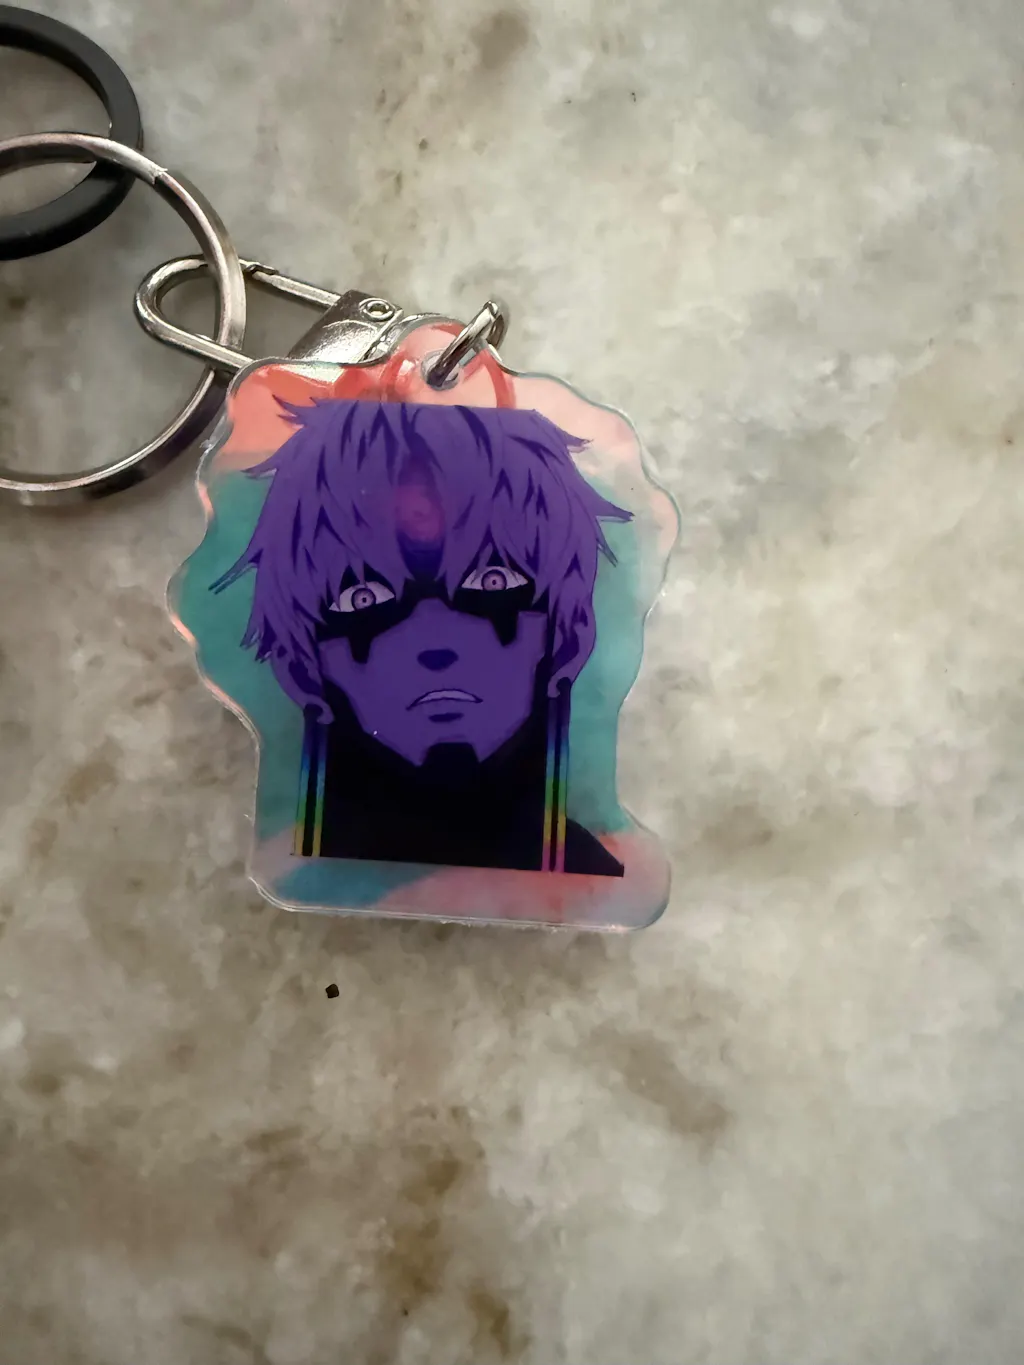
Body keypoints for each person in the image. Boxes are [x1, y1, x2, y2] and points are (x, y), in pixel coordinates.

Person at [217, 397, 630, 876]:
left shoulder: (593, 884)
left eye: (492, 580)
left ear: (569, 637)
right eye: (363, 596)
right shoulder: (285, 871)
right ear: (299, 668)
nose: (435, 643)